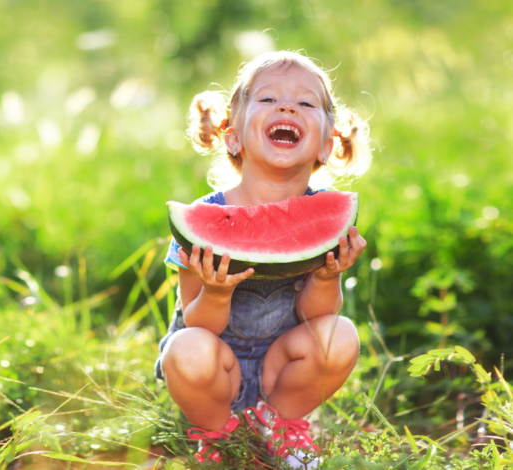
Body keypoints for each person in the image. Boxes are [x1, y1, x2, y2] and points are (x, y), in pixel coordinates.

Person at [155, 50, 372, 468]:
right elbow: (196, 321)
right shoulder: (202, 216)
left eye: (306, 103)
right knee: (186, 348)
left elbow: (316, 318)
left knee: (339, 334)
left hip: (281, 371)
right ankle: (219, 438)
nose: (287, 106)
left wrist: (327, 278)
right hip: (215, 372)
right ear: (233, 136)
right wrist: (217, 292)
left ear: (326, 146)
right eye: (269, 100)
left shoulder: (326, 216)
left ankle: (279, 427)